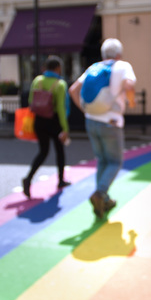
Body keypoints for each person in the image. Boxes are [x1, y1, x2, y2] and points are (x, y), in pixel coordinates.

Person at [69, 38, 136, 220]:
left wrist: (85, 110)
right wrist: (131, 101)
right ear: (118, 55)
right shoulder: (122, 66)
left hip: (91, 121)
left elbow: (73, 89)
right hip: (111, 122)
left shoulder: (94, 67)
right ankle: (100, 194)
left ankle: (104, 200)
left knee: (102, 161)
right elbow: (129, 85)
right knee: (114, 162)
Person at [22, 55, 71, 198]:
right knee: (59, 151)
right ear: (58, 68)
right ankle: (61, 180)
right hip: (54, 121)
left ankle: (28, 178)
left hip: (39, 120)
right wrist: (65, 129)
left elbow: (31, 101)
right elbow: (61, 109)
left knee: (43, 152)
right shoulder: (60, 84)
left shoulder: (37, 81)